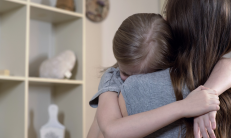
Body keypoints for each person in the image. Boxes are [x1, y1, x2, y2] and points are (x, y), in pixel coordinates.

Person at [87, 13, 222, 138]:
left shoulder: (177, 72)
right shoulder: (112, 78)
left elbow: (227, 64)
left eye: (135, 76)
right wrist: (184, 106)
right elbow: (111, 130)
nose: (124, 78)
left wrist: (209, 93)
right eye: (124, 71)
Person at [118, 0, 231, 138]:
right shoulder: (223, 84)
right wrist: (208, 95)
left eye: (167, 14)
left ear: (177, 23)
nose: (164, 19)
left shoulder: (131, 87)